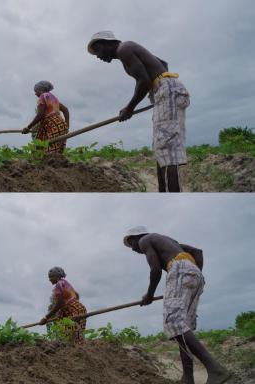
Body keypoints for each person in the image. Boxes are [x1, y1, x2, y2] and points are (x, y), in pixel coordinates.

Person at [123, 226, 231, 384]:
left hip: (180, 270)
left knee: (174, 322)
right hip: (195, 275)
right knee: (181, 326)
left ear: (136, 237)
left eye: (131, 243)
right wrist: (194, 273)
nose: (133, 249)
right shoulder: (172, 242)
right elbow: (198, 252)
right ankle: (188, 377)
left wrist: (149, 295)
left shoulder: (145, 239)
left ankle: (216, 370)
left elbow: (155, 271)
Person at [87, 31, 190, 192]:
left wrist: (130, 108)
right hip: (164, 93)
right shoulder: (126, 50)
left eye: (97, 50)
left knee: (167, 148)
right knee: (161, 147)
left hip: (166, 92)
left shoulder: (124, 49)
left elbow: (144, 81)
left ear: (107, 43)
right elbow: (163, 64)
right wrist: (159, 91)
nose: (98, 56)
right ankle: (164, 192)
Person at [40, 267, 87, 343]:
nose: (50, 279)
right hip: (79, 308)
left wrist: (46, 317)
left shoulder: (59, 285)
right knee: (76, 335)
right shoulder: (65, 283)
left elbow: (60, 303)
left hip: (73, 311)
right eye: (49, 277)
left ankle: (76, 351)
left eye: (51, 277)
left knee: (72, 336)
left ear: (57, 276)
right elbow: (77, 295)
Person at [22, 81, 70, 154]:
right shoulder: (54, 98)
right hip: (61, 125)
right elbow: (66, 110)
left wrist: (28, 127)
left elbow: (40, 115)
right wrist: (67, 126)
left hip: (51, 125)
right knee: (56, 151)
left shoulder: (42, 97)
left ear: (41, 90)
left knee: (46, 151)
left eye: (36, 91)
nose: (35, 94)